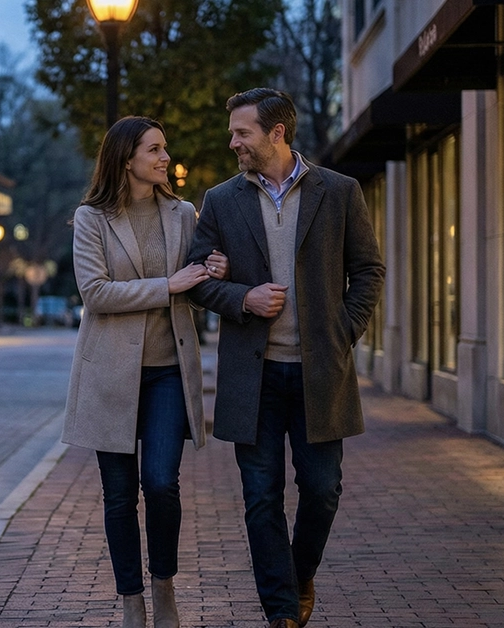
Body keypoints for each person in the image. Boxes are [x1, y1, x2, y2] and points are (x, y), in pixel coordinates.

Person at [186, 88, 385, 628]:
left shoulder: (339, 191)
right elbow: (197, 278)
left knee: (322, 490)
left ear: (276, 133)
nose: (233, 143)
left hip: (320, 372)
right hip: (253, 376)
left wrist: (343, 331)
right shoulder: (222, 200)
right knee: (260, 497)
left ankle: (298, 577)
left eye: (241, 133)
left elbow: (368, 270)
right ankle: (281, 613)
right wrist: (242, 298)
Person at [63, 116, 229, 628]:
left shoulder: (182, 213)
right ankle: (131, 601)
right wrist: (170, 285)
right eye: (154, 150)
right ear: (126, 158)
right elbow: (96, 294)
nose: (164, 158)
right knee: (118, 495)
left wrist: (212, 272)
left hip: (166, 373)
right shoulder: (91, 219)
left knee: (160, 483)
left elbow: (194, 290)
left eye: (164, 148)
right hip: (110, 373)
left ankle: (163, 589)